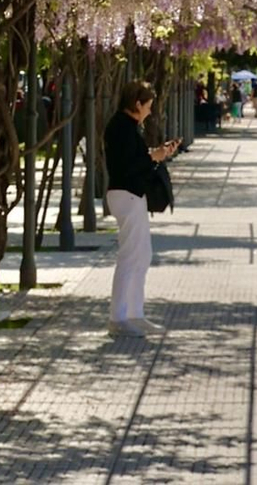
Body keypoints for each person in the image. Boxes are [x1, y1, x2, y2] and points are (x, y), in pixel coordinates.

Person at [104, 80, 179, 337]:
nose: (150, 110)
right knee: (129, 256)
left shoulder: (128, 127)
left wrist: (155, 154)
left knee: (142, 254)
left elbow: (132, 159)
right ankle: (118, 318)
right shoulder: (121, 128)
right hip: (128, 194)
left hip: (132, 194)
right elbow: (126, 166)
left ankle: (135, 313)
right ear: (137, 104)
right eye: (148, 105)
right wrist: (151, 157)